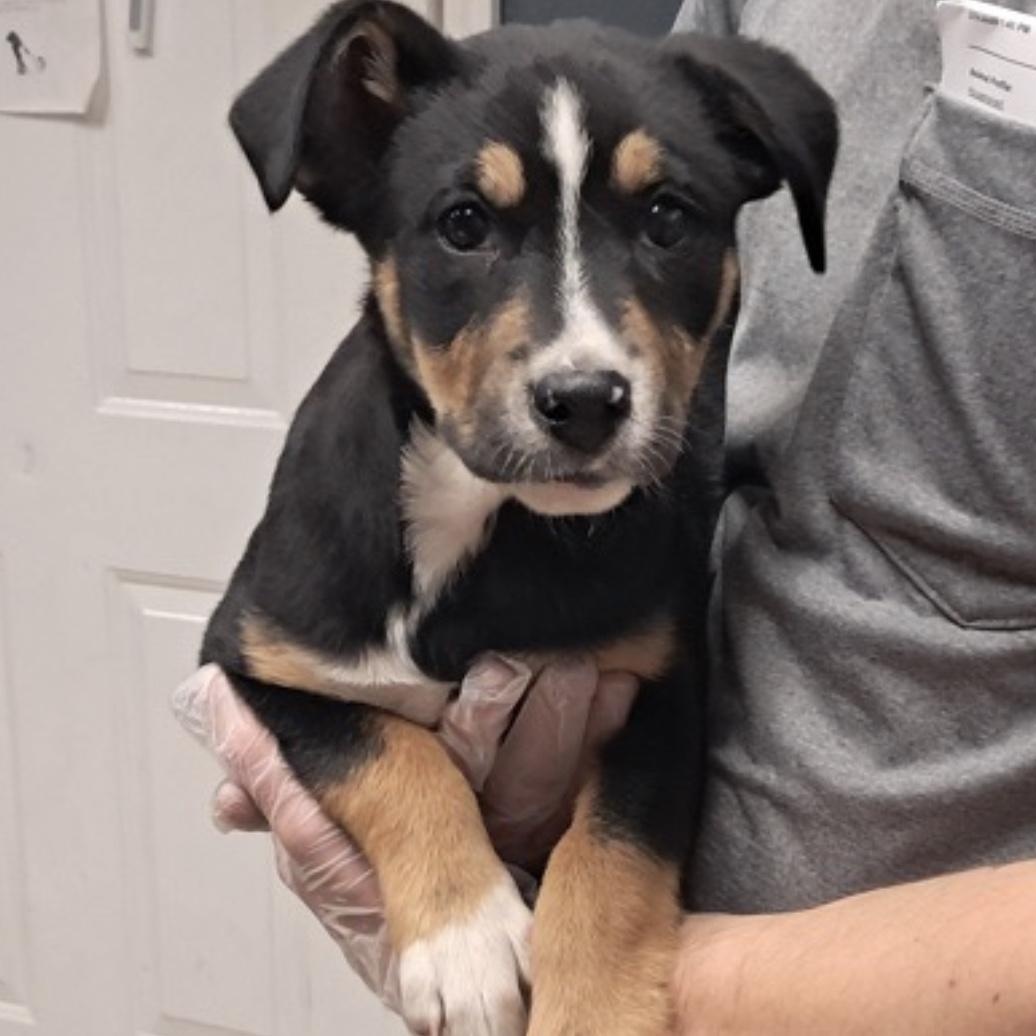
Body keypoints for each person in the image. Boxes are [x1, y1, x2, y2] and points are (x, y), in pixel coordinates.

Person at [175, 0, 1036, 1030]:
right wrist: (433, 842)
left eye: (664, 221)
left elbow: (657, 705)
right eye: (465, 224)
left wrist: (628, 977)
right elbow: (263, 673)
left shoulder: (632, 558)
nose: (580, 359)